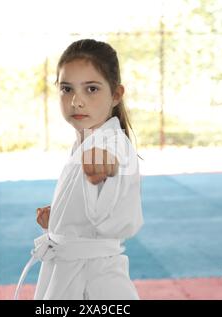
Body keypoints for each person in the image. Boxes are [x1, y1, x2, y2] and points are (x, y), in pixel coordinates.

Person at [15, 39, 143, 300]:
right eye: (66, 89)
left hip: (95, 280)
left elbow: (111, 179)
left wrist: (106, 165)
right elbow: (89, 212)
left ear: (116, 94)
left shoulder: (113, 145)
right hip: (71, 271)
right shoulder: (85, 142)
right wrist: (62, 221)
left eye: (92, 89)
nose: (77, 101)